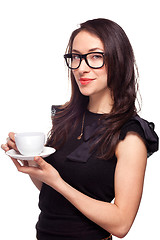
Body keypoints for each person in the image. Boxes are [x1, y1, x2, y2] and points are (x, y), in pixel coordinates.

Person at [2, 18, 159, 240]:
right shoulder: (67, 118)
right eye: (76, 57)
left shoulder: (130, 134)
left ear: (118, 60)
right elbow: (55, 195)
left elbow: (122, 224)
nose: (81, 68)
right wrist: (30, 160)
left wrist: (57, 181)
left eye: (95, 56)